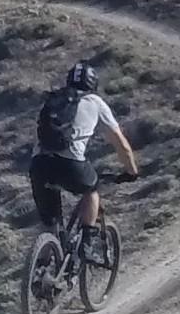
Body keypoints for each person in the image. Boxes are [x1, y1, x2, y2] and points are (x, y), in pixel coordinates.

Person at [29, 61, 139, 252]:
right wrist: (131, 171)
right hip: (70, 163)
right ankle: (86, 242)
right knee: (91, 190)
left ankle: (42, 266)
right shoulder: (95, 102)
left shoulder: (54, 99)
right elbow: (121, 144)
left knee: (50, 224)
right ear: (93, 84)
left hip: (39, 163)